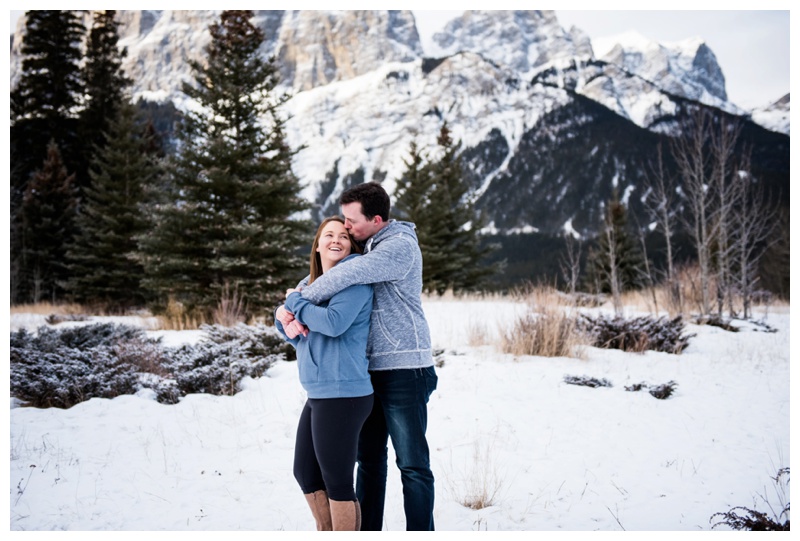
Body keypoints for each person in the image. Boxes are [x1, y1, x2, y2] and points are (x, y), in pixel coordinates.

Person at [276, 182, 438, 531]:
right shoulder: (369, 247)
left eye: (350, 222)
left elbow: (348, 273)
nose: (346, 227)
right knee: (369, 461)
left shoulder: (397, 247)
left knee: (412, 464)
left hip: (405, 368)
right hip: (369, 370)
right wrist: (290, 312)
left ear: (376, 219)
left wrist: (296, 302)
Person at [274, 216, 374, 531]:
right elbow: (296, 334)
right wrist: (283, 317)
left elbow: (332, 323)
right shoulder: (308, 285)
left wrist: (293, 303)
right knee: (305, 472)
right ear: (317, 246)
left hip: (344, 393)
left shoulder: (354, 281)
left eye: (343, 236)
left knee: (338, 482)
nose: (335, 240)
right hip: (319, 393)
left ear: (351, 245)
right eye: (328, 235)